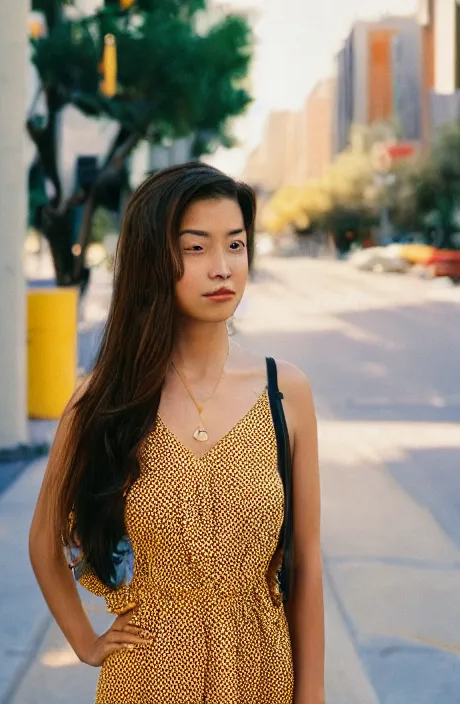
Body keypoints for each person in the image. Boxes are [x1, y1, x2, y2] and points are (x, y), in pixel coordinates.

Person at [29, 162, 324, 704]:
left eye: (235, 246)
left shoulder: (287, 392)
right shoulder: (102, 400)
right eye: (196, 248)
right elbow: (45, 542)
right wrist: (86, 642)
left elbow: (304, 565)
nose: (223, 268)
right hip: (146, 678)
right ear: (152, 260)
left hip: (260, 675)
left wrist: (313, 696)